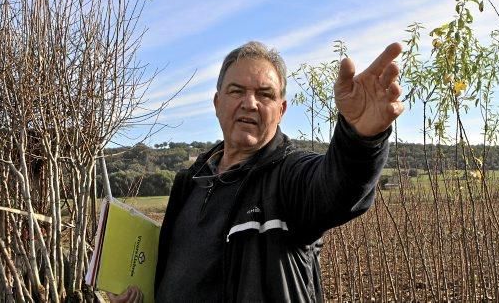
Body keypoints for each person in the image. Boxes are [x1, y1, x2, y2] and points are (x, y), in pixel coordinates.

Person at [109, 41, 404, 302]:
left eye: (264, 94)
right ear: (217, 103)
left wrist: (359, 138)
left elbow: (338, 187)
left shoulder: (288, 176)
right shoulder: (190, 183)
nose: (249, 103)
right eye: (236, 91)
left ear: (281, 110)